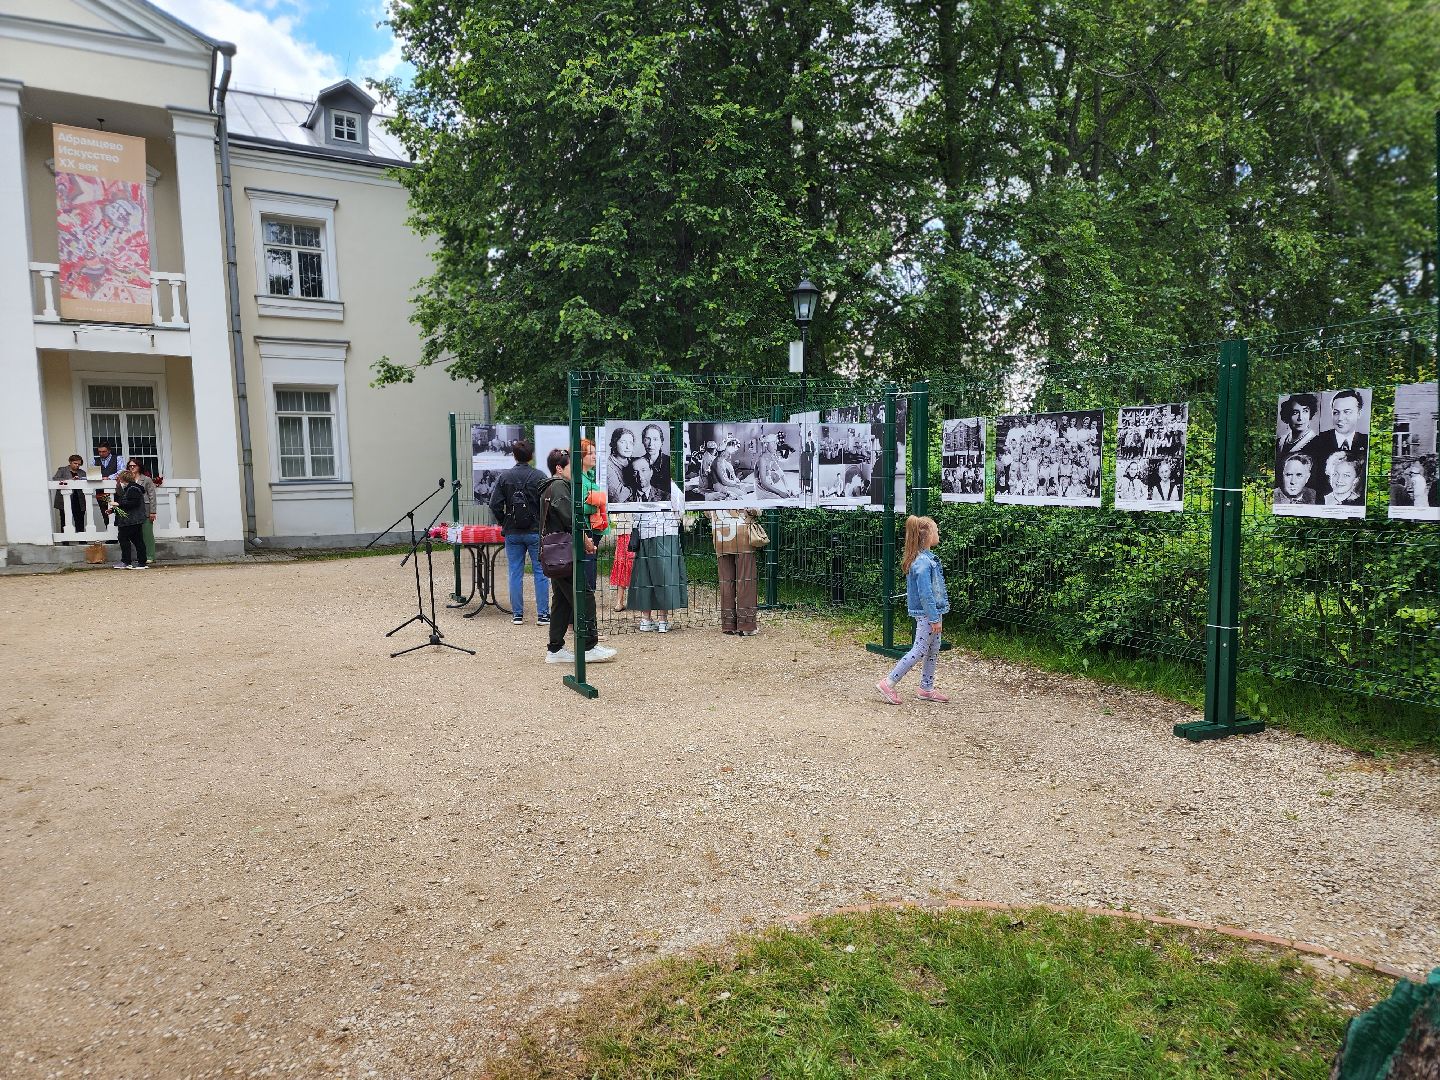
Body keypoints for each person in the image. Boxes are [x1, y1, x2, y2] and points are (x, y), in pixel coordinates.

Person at [539, 448, 615, 664]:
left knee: (562, 600)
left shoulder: (549, 486)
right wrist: (586, 540)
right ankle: (589, 645)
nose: (576, 469)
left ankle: (555, 649)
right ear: (559, 468)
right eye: (572, 465)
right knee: (584, 595)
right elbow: (570, 520)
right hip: (564, 553)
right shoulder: (559, 486)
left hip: (556, 554)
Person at [876, 515, 949, 705]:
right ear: (927, 536)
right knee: (919, 650)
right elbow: (926, 594)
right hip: (928, 615)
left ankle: (926, 688)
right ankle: (888, 683)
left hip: (932, 613)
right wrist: (934, 618)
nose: (938, 533)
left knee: (933, 648)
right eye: (936, 530)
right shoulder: (924, 563)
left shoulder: (926, 559)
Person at [488, 438, 550, 626]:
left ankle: (517, 615)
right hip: (535, 530)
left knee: (515, 572)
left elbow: (494, 504)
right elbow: (548, 503)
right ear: (531, 456)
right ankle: (543, 615)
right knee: (540, 572)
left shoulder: (504, 477)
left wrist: (504, 521)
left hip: (513, 531)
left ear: (513, 455)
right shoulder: (540, 476)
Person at [627, 481, 689, 633]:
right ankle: (663, 620)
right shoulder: (669, 485)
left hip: (644, 534)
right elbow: (680, 507)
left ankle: (646, 619)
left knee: (645, 575)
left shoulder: (635, 486)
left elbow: (633, 511)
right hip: (666, 532)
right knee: (664, 573)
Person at [1307, 389, 1369, 499]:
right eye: (1336, 412)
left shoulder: (1366, 441)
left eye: (1347, 412)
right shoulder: (1316, 441)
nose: (1340, 418)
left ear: (1358, 414)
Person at [708, 507, 759, 635]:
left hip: (720, 535)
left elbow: (707, 513)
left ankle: (728, 625)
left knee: (726, 582)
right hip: (742, 533)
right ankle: (746, 626)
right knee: (746, 580)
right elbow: (755, 510)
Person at [121, 459, 159, 564]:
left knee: (147, 534)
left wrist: (153, 511)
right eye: (130, 466)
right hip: (133, 511)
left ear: (139, 467)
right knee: (137, 536)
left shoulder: (146, 479)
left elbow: (152, 496)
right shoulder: (127, 479)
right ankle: (140, 557)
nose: (132, 468)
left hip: (145, 510)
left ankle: (150, 556)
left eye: (134, 466)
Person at [111, 468, 148, 569]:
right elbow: (128, 503)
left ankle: (127, 561)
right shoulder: (132, 488)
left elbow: (133, 503)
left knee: (124, 539)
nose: (119, 481)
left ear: (123, 479)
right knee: (138, 540)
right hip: (133, 519)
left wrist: (118, 503)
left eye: (119, 479)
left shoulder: (132, 489)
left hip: (130, 520)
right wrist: (113, 510)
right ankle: (141, 562)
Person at [51, 455, 89, 536]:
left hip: (79, 499)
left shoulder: (82, 472)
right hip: (64, 499)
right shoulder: (62, 470)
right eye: (75, 463)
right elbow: (55, 479)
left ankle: (81, 539)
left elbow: (86, 482)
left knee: (79, 520)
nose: (77, 465)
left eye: (79, 464)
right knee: (64, 520)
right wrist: (71, 481)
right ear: (70, 462)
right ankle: (66, 539)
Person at [754, 434, 795, 499]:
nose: (775, 446)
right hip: (762, 491)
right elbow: (763, 483)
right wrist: (779, 492)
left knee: (790, 498)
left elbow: (781, 475)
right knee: (783, 502)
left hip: (769, 488)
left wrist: (788, 489)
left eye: (776, 443)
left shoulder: (771, 458)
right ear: (766, 444)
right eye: (773, 443)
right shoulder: (762, 459)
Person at [607, 427, 641, 503]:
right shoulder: (608, 467)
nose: (628, 447)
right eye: (623, 442)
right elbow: (618, 497)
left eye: (631, 443)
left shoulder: (636, 462)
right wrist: (637, 488)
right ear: (615, 443)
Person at [638, 424, 672, 501]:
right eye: (647, 439)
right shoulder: (637, 463)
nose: (651, 444)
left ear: (661, 442)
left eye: (655, 439)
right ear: (643, 441)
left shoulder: (670, 462)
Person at [93, 441, 124, 524]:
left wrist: (109, 478)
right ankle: (109, 535)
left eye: (103, 451)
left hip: (116, 490)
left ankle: (119, 534)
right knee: (105, 513)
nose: (101, 453)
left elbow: (122, 471)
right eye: (99, 452)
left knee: (118, 511)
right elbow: (92, 474)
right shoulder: (95, 461)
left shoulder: (118, 458)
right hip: (100, 491)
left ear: (109, 451)